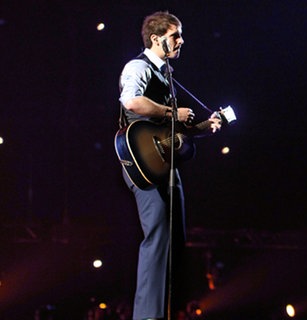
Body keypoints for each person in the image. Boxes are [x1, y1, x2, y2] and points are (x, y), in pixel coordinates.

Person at [117, 11, 221, 320]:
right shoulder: (138, 66)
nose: (181, 41)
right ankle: (147, 315)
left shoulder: (167, 75)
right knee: (159, 233)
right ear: (156, 39)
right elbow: (132, 102)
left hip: (165, 164)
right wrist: (171, 112)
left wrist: (204, 125)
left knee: (175, 237)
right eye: (175, 35)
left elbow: (171, 129)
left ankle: (165, 311)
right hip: (142, 162)